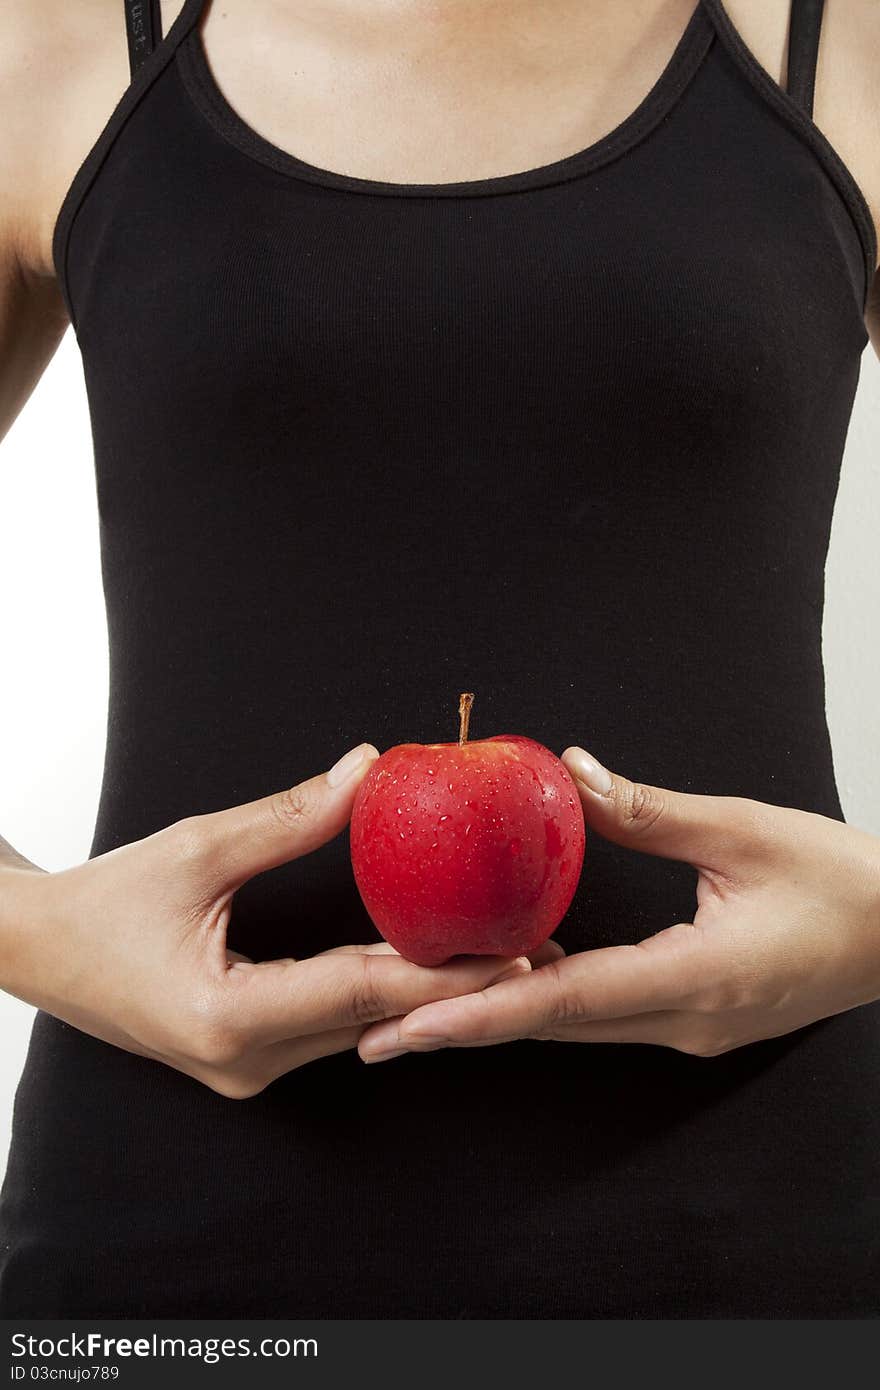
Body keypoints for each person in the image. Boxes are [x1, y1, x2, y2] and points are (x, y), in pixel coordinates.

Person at [0, 0, 878, 1318]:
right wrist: (40, 936)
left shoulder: (848, 38)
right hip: (169, 1261)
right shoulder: (54, 40)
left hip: (756, 1249)